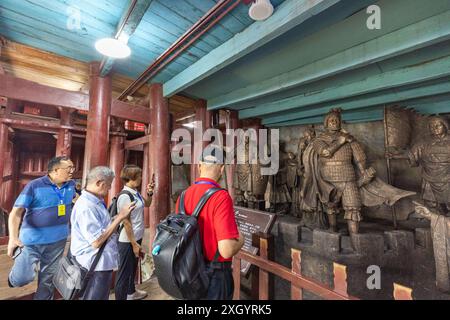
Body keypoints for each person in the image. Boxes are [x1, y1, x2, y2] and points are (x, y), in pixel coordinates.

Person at [176, 152, 244, 300]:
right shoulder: (220, 197)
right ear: (221, 169)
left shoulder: (183, 196)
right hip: (214, 275)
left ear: (199, 166)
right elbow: (226, 250)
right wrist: (241, 239)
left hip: (189, 272)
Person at [7, 156, 76, 300]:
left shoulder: (71, 185)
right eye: (69, 168)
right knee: (22, 278)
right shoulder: (34, 185)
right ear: (55, 170)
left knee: (48, 281)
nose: (72, 171)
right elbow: (16, 213)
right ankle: (13, 279)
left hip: (58, 242)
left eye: (73, 168)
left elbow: (75, 199)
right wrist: (13, 238)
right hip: (32, 241)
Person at [70, 166, 135, 300]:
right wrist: (119, 217)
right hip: (94, 264)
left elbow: (101, 226)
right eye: (109, 185)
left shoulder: (95, 201)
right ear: (99, 183)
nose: (110, 188)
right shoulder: (87, 207)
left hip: (99, 262)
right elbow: (96, 242)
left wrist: (115, 218)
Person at [388, 116, 450, 216]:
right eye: (432, 126)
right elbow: (411, 154)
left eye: (438, 125)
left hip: (448, 178)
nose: (435, 128)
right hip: (429, 178)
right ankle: (437, 225)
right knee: (432, 204)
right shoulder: (424, 142)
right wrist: (395, 155)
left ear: (445, 126)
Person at [114, 165, 154, 300]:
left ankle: (131, 293)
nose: (141, 178)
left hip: (137, 236)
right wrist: (133, 243)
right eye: (139, 176)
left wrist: (149, 192)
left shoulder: (135, 192)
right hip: (127, 240)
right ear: (131, 177)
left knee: (132, 268)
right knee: (124, 272)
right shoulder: (125, 196)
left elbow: (147, 204)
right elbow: (126, 222)